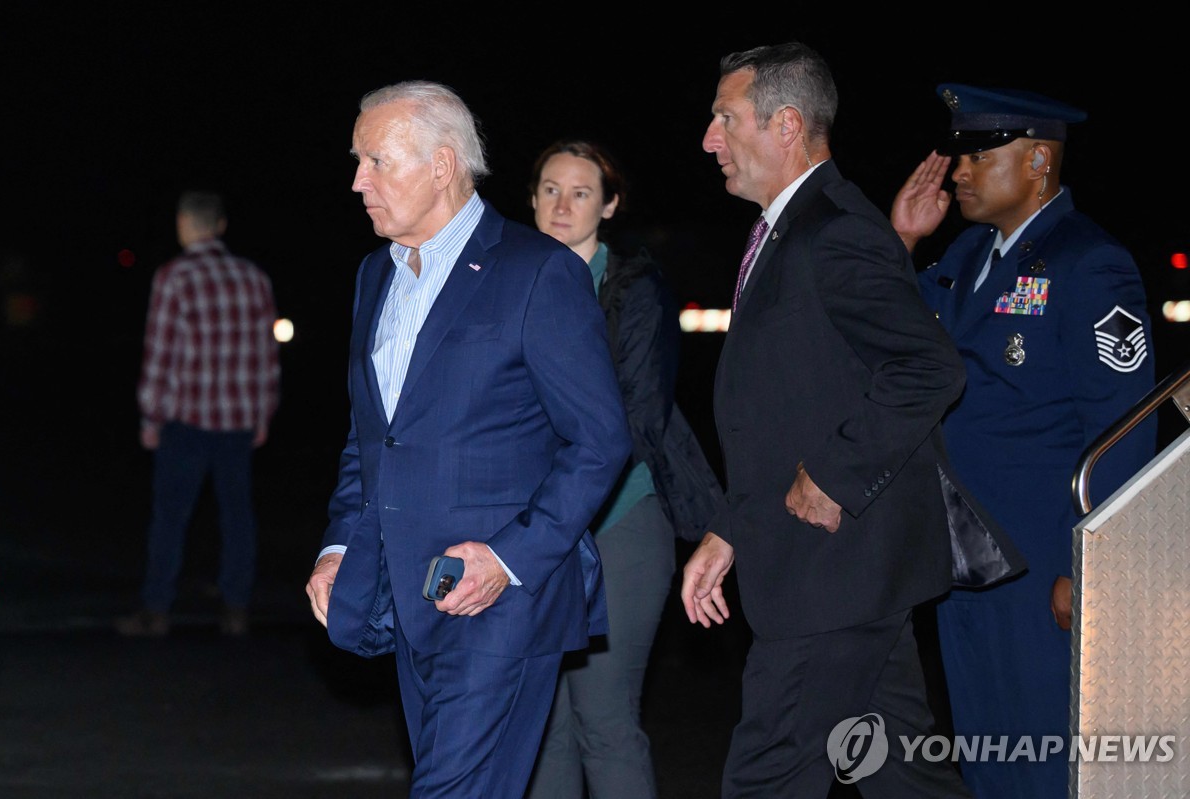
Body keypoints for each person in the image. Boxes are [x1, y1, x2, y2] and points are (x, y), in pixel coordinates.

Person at [303, 82, 631, 799]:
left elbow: (601, 440)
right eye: (358, 162)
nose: (358, 181)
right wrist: (338, 547)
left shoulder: (536, 270)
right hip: (406, 599)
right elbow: (373, 439)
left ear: (443, 166)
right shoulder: (373, 276)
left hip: (500, 604)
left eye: (377, 161)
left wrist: (509, 558)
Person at [679, 41, 981, 798]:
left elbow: (929, 367)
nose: (709, 139)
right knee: (905, 775)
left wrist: (838, 474)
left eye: (725, 118)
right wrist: (730, 527)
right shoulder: (788, 231)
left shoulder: (833, 231)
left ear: (786, 125)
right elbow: (787, 410)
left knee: (769, 774)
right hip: (842, 573)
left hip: (829, 574)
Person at [891, 84, 1157, 798]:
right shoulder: (970, 253)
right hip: (966, 552)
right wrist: (903, 244)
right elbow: (897, 338)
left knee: (1046, 752)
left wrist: (1091, 563)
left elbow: (1125, 428)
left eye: (980, 153)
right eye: (960, 153)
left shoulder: (1088, 262)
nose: (959, 170)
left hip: (1045, 563)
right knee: (985, 749)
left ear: (1039, 160)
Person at [524, 140, 722, 799]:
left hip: (619, 516)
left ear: (608, 205)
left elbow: (635, 419)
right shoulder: (505, 280)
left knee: (602, 717)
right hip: (532, 530)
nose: (562, 204)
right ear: (530, 198)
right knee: (544, 721)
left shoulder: (635, 288)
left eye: (581, 192)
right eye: (550, 188)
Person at [116, 190, 280, 638]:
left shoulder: (175, 276)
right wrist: (263, 412)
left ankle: (156, 609)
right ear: (220, 226)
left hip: (187, 419)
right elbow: (266, 354)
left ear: (184, 225)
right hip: (238, 422)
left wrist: (151, 418)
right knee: (237, 515)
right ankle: (235, 607)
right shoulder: (254, 278)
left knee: (171, 516)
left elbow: (160, 355)